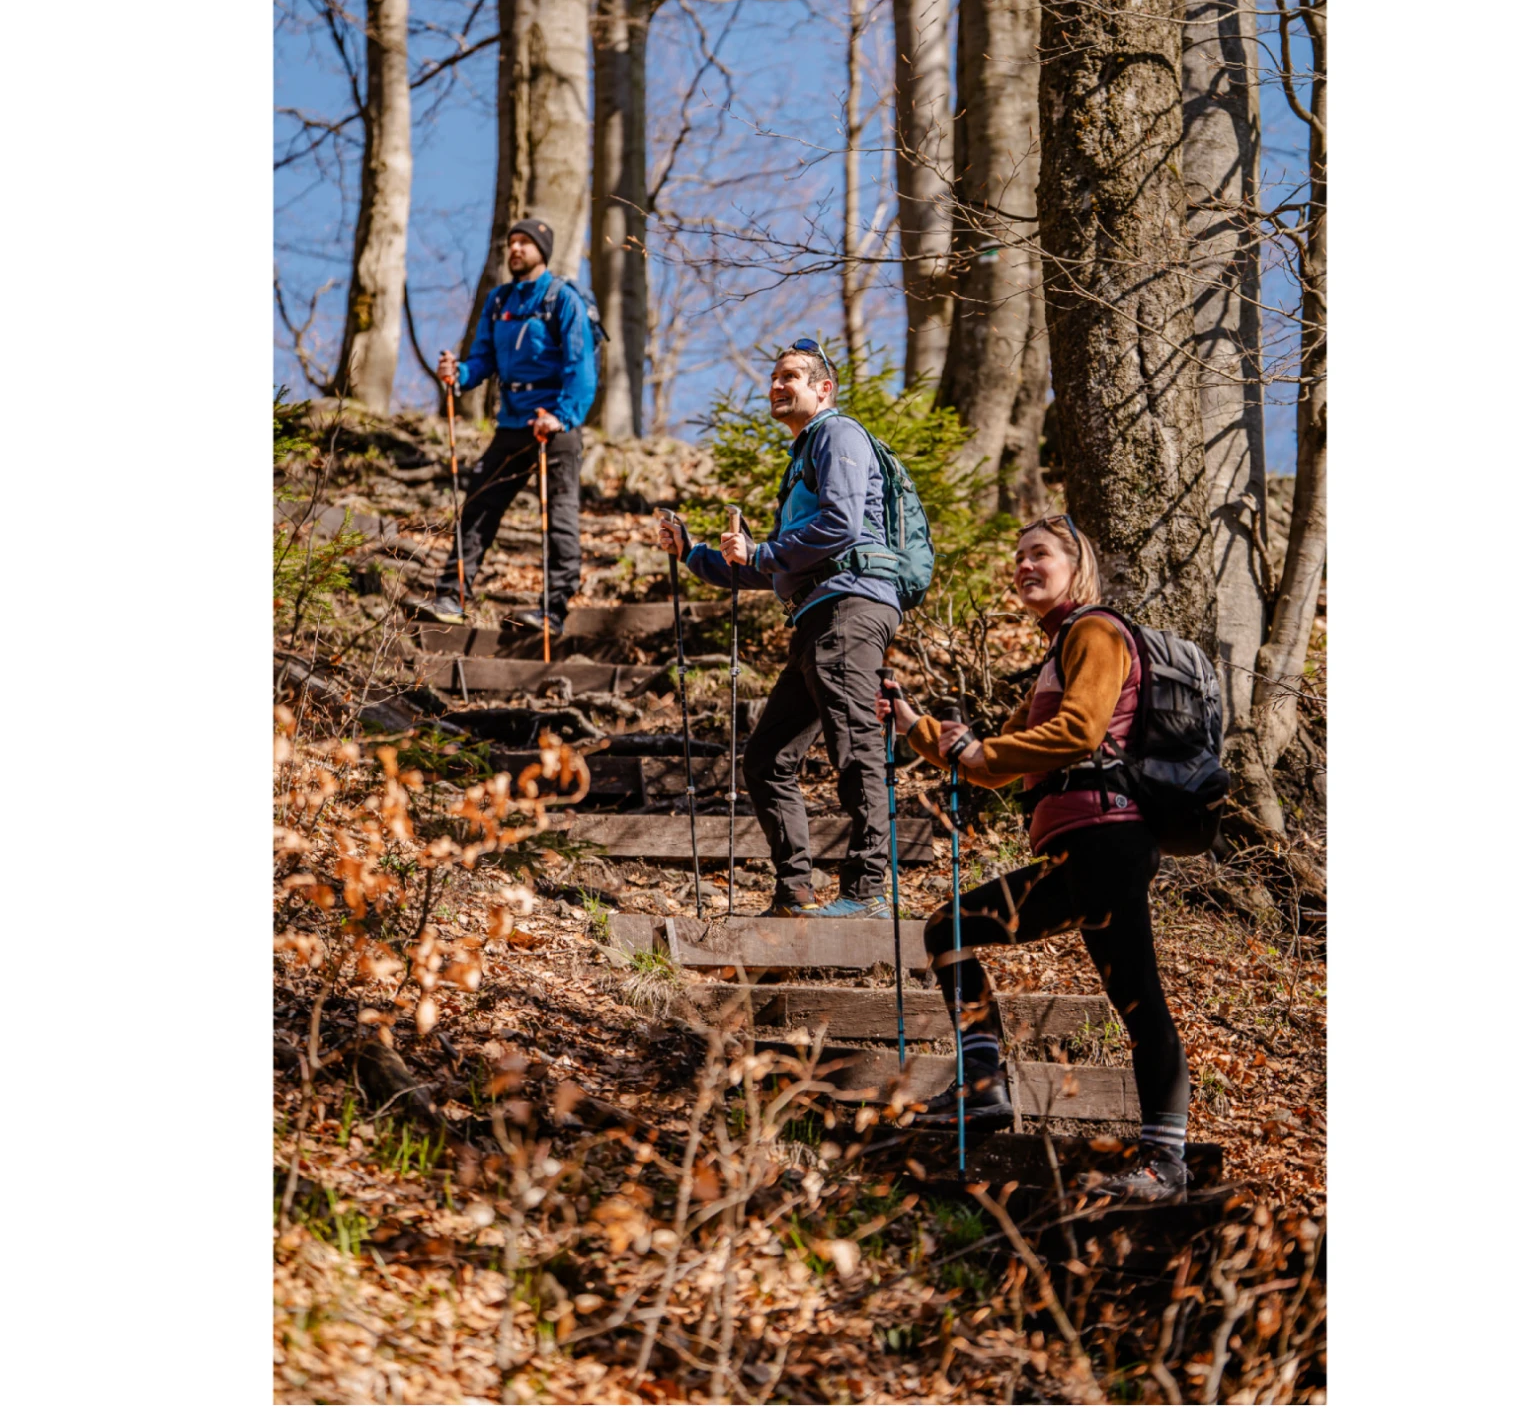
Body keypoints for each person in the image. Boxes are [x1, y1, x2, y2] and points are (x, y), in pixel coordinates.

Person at [876, 516, 1193, 1200]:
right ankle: (984, 1086)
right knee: (951, 929)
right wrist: (914, 726)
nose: (1024, 566)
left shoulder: (1096, 632)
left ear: (1076, 566)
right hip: (1078, 853)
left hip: (1109, 842)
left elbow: (1079, 730)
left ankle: (1166, 1162)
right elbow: (990, 764)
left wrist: (978, 750)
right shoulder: (1057, 655)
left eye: (1039, 554)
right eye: (1018, 557)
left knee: (1139, 998)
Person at [656, 341, 900, 919]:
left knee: (854, 743)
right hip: (818, 615)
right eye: (773, 377)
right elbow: (771, 566)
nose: (776, 386)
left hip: (850, 607)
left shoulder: (838, 435)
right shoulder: (803, 457)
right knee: (767, 759)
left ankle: (868, 892)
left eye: (790, 376)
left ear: (824, 388)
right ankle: (796, 893)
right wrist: (692, 552)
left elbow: (841, 525)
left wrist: (763, 551)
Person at [412, 218, 596, 631]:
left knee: (559, 515)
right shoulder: (499, 301)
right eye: (512, 242)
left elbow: (581, 368)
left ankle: (553, 609)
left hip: (554, 425)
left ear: (542, 252)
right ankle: (452, 596)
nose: (515, 249)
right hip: (512, 422)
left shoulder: (563, 299)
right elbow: (483, 359)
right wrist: (459, 373)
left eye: (525, 243)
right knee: (479, 504)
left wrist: (561, 416)